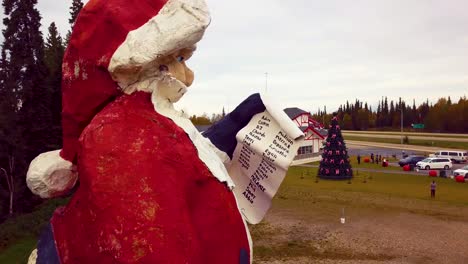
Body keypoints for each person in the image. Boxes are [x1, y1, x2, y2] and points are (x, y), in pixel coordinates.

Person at [25, 0, 272, 263]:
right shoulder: (121, 137)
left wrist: (237, 123)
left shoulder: (152, 120)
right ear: (144, 62)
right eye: (180, 59)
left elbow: (186, 159)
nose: (189, 77)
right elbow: (147, 243)